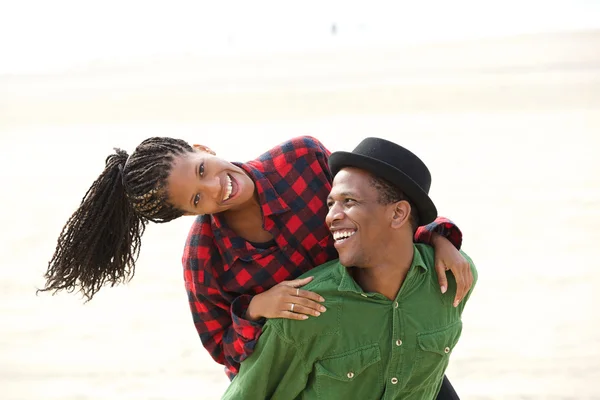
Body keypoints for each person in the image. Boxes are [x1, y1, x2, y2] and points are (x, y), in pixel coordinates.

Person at [41, 135, 473, 398]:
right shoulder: (203, 257)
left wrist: (436, 234)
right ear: (190, 214)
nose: (216, 188)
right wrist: (255, 309)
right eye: (197, 199)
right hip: (304, 373)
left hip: (378, 336)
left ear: (202, 149)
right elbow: (225, 352)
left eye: (203, 170)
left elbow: (371, 208)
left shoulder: (301, 159)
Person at [222, 137, 478, 400]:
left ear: (398, 214)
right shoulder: (305, 311)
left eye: (349, 201)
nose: (331, 216)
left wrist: (440, 238)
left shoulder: (453, 278)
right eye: (330, 203)